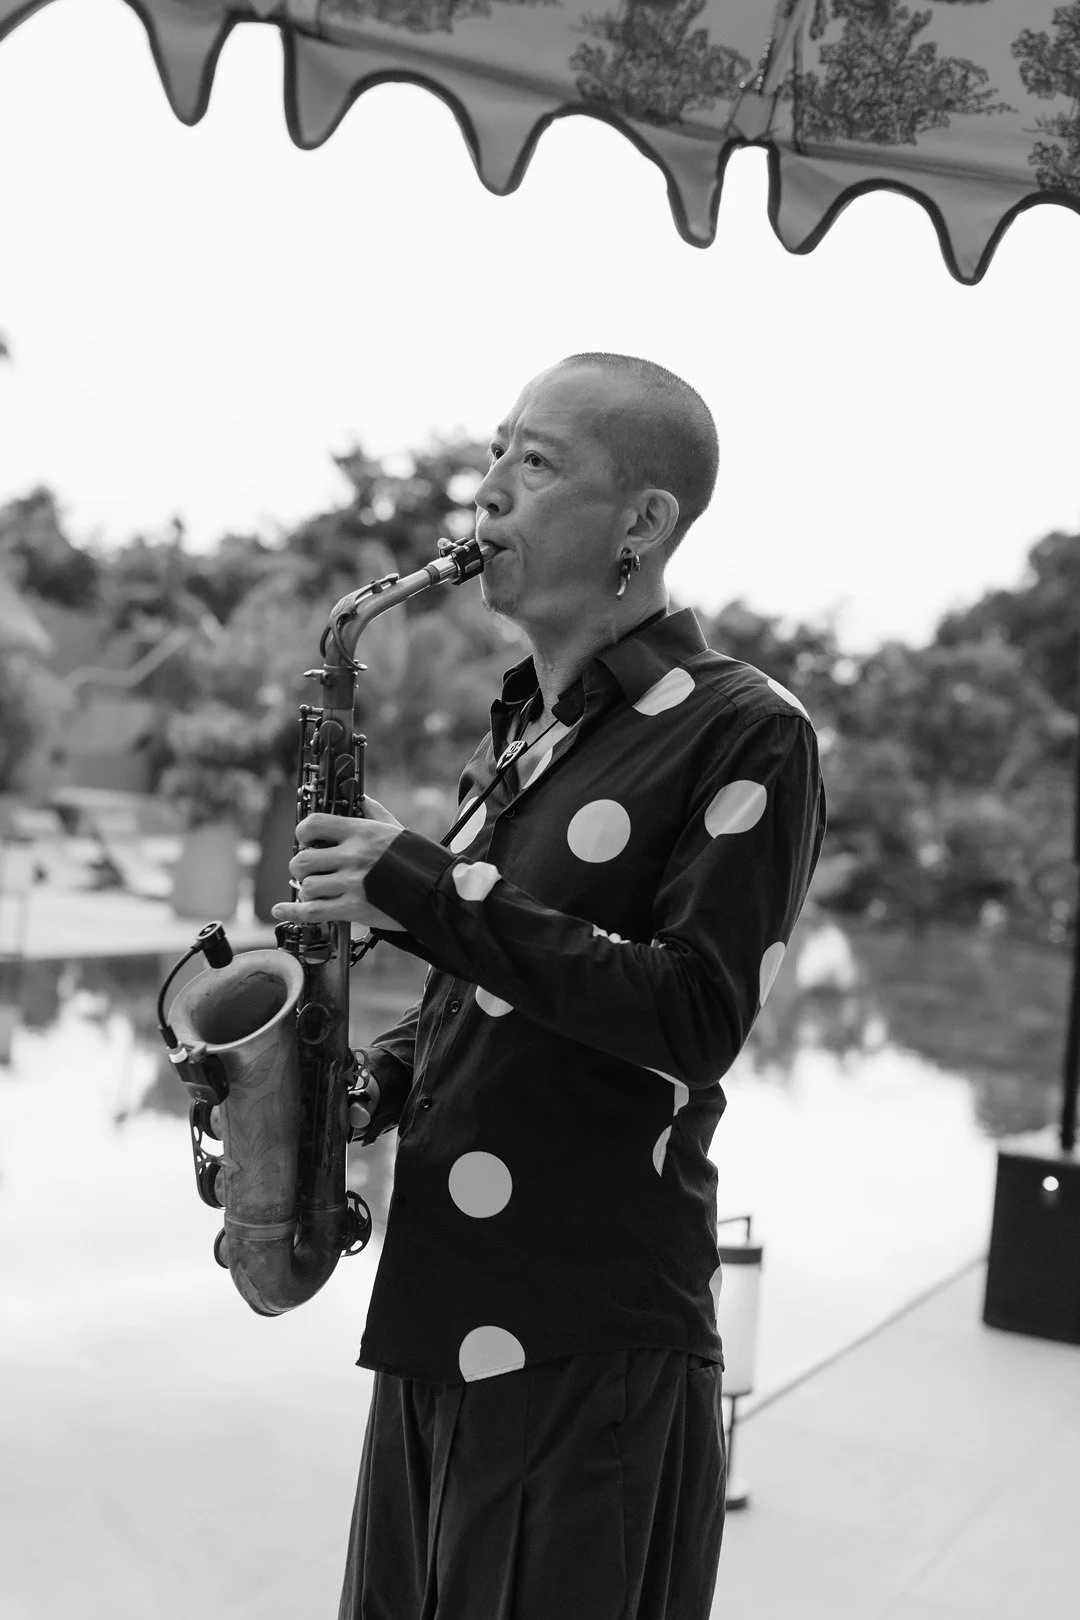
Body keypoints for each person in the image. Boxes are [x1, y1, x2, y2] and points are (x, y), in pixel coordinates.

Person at [271, 352, 827, 1620]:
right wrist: (374, 1082)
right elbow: (493, 993)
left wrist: (423, 886)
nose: (488, 493)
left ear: (644, 523)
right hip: (443, 1316)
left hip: (585, 1337)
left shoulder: (750, 729)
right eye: (495, 452)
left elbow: (695, 1017)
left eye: (536, 461)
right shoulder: (524, 728)